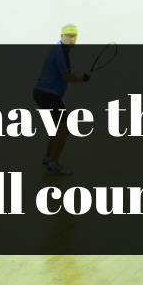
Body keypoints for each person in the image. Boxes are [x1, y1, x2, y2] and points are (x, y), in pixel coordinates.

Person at [32, 24, 91, 176]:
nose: (72, 39)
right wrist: (83, 79)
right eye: (69, 35)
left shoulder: (61, 50)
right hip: (47, 94)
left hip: (41, 93)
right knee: (64, 128)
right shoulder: (60, 51)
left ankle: (48, 159)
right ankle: (53, 164)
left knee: (55, 129)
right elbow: (66, 76)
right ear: (61, 36)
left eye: (74, 36)